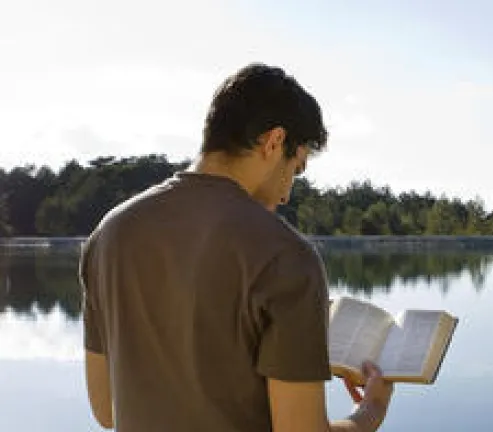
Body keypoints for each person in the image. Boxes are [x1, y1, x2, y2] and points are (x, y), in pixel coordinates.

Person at [78, 63, 394, 431]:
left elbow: (107, 410)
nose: (287, 191)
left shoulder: (110, 233)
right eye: (297, 168)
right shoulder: (285, 254)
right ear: (274, 142)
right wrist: (370, 411)